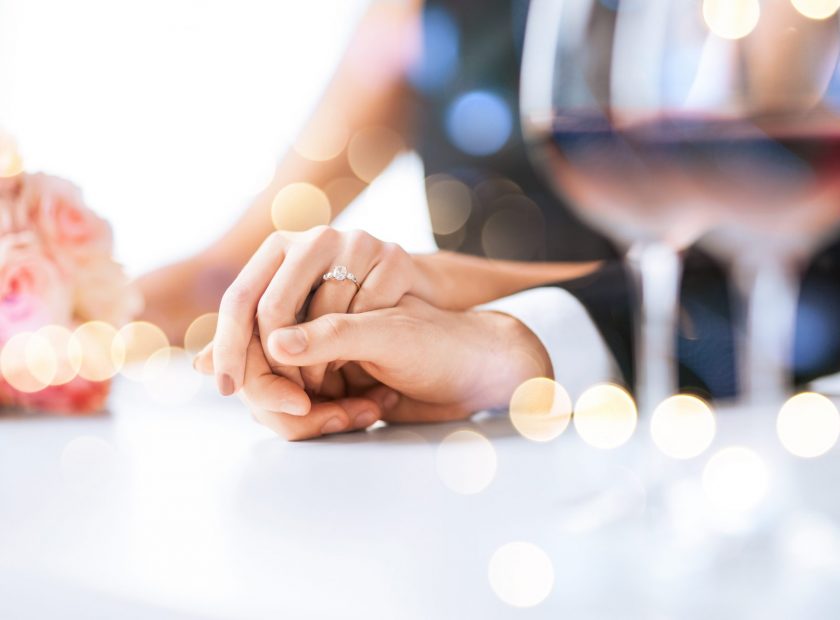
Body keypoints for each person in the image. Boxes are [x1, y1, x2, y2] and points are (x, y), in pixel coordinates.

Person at [143, 0, 840, 440]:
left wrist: (482, 310)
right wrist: (62, 305)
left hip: (724, 445)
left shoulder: (768, 18)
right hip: (487, 460)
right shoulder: (416, 18)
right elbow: (222, 277)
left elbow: (785, 271)